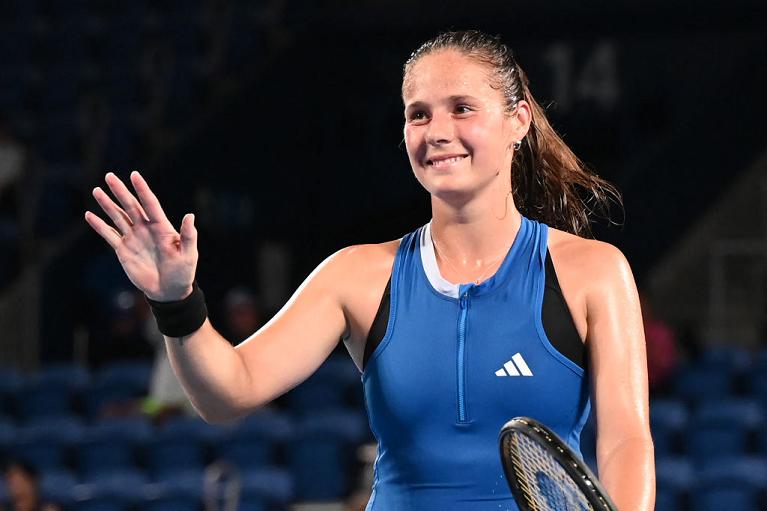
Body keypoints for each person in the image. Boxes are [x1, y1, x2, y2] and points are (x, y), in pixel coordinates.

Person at [84, 30, 654, 510]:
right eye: (418, 114)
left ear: (518, 122)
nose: (437, 132)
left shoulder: (593, 272)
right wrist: (177, 304)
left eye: (462, 108)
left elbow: (627, 440)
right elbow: (228, 393)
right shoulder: (355, 276)